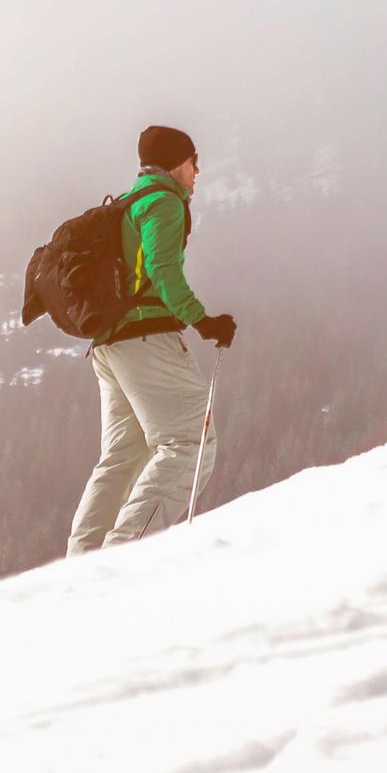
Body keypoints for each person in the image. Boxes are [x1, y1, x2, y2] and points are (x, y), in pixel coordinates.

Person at [67, 126, 237, 554]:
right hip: (146, 340)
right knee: (188, 442)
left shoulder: (130, 204)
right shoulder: (163, 202)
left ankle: (82, 561)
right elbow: (163, 270)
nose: (198, 171)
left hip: (109, 345)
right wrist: (203, 321)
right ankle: (123, 556)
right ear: (176, 163)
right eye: (193, 161)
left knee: (122, 458)